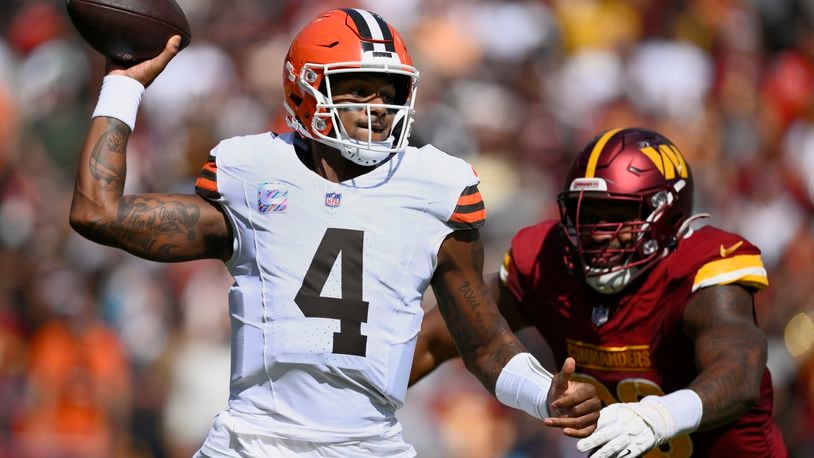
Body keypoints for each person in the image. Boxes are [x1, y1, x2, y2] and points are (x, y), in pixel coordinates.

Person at [68, 8, 600, 457]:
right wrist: (123, 86)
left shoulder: (437, 188)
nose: (375, 109)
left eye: (386, 92)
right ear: (304, 91)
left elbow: (483, 344)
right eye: (358, 89)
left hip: (369, 444)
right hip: (253, 441)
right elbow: (98, 213)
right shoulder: (253, 173)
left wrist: (543, 394)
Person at [411, 127, 789, 457]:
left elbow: (740, 373)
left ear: (665, 214)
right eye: (586, 214)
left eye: (615, 215)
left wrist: (659, 417)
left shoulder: (701, 271)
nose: (596, 232)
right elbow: (444, 335)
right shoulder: (549, 262)